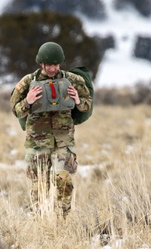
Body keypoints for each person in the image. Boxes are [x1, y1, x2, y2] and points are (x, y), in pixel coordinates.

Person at [10, 41, 92, 216]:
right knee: (39, 183)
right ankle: (41, 220)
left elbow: (87, 106)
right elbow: (16, 110)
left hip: (63, 140)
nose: (52, 68)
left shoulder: (73, 81)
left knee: (63, 180)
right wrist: (28, 101)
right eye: (49, 64)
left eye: (55, 64)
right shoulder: (27, 82)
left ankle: (63, 219)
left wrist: (78, 100)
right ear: (41, 63)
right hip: (37, 142)